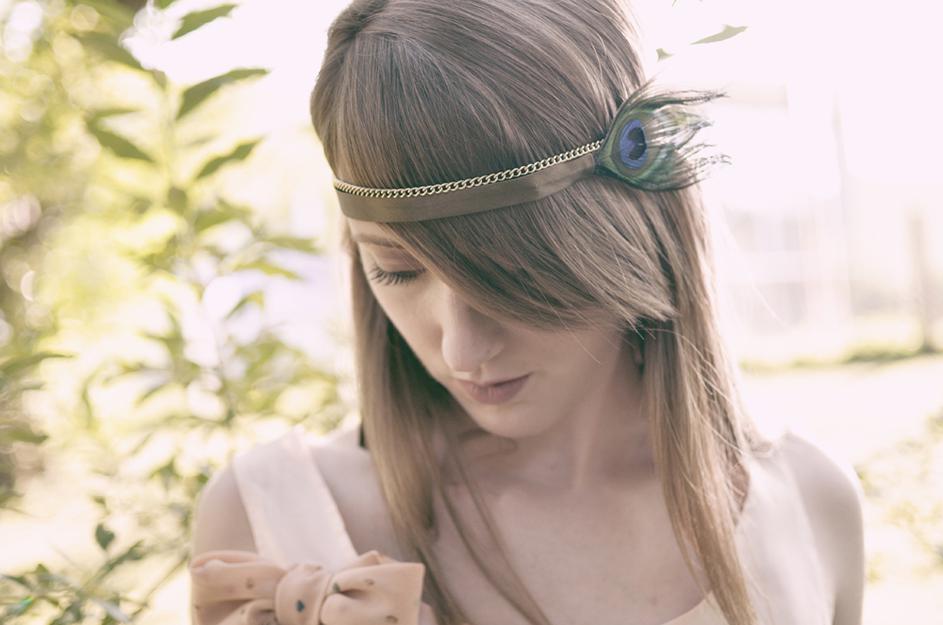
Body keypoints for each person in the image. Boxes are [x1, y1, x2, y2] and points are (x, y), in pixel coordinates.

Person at [187, 1, 866, 624]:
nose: (460, 349)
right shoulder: (269, 520)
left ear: (626, 237)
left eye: (508, 275)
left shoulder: (809, 506)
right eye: (397, 269)